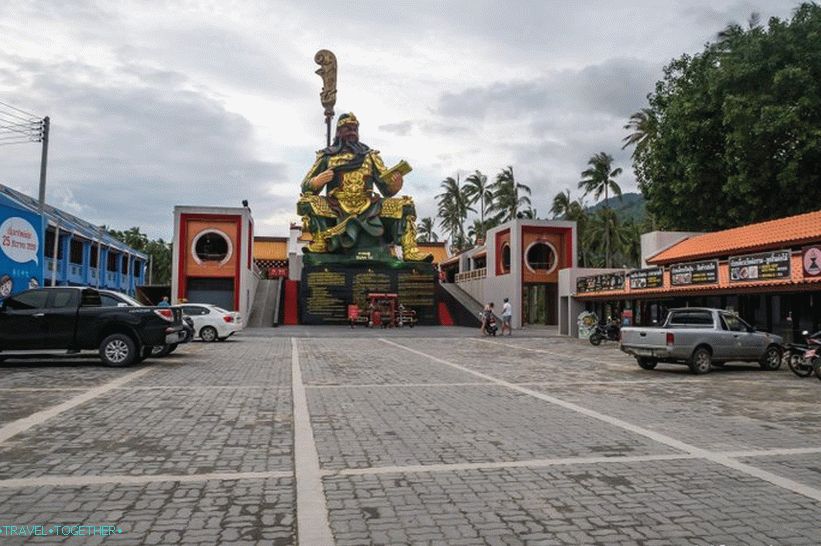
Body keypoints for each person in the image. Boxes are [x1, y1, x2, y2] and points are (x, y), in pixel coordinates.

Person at [297, 113, 431, 261]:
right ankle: (321, 241)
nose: (352, 132)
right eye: (348, 128)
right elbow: (305, 187)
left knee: (406, 205)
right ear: (338, 132)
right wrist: (316, 182)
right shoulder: (327, 157)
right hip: (336, 205)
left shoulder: (370, 156)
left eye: (355, 129)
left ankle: (410, 250)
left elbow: (386, 190)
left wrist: (395, 185)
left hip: (369, 206)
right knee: (306, 201)